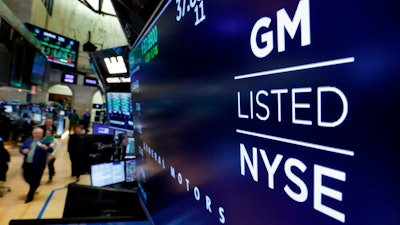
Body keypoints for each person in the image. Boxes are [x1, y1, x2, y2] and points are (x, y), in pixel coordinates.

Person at [19, 127, 53, 203]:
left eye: (40, 133)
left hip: (39, 165)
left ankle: (30, 195)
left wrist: (46, 148)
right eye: (36, 133)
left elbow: (51, 149)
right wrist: (23, 151)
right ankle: (35, 185)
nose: (38, 134)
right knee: (26, 177)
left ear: (42, 134)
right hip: (27, 163)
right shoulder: (28, 141)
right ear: (33, 134)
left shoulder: (46, 142)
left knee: (35, 180)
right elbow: (21, 149)